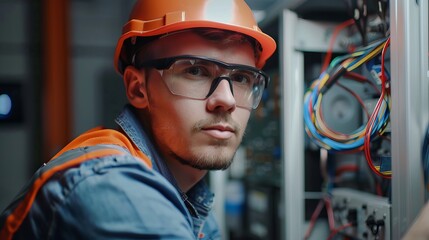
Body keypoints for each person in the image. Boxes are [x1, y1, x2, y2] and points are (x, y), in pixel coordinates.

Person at [0, 0, 276, 239]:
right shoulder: (112, 188)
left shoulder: (190, 195)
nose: (226, 100)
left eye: (241, 78)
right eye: (195, 71)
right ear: (137, 88)